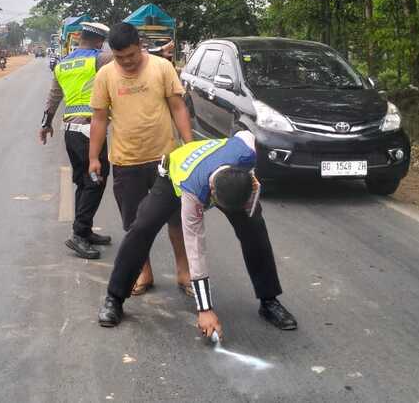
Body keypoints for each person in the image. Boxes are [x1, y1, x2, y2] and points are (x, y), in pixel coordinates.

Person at [98, 131, 297, 336]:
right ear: (212, 192)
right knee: (142, 227)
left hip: (224, 173)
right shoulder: (194, 191)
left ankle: (269, 300)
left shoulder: (246, 153)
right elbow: (195, 249)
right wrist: (205, 309)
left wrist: (251, 181)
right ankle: (114, 298)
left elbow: (245, 134)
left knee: (254, 227)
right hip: (175, 176)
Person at [88, 22, 192, 296]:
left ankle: (184, 272)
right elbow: (99, 119)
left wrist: (190, 147)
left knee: (177, 222)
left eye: (131, 55)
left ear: (140, 46)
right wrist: (93, 158)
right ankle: (144, 273)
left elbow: (178, 107)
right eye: (120, 57)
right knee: (136, 226)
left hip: (166, 161)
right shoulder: (106, 75)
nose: (127, 62)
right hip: (126, 161)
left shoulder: (161, 67)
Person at [40, 22, 113, 259]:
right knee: (96, 180)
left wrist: (46, 123)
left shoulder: (63, 64)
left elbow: (54, 96)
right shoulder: (99, 60)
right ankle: (79, 234)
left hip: (70, 132)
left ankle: (86, 229)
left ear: (79, 39)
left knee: (84, 181)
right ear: (99, 41)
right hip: (90, 131)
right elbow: (125, 56)